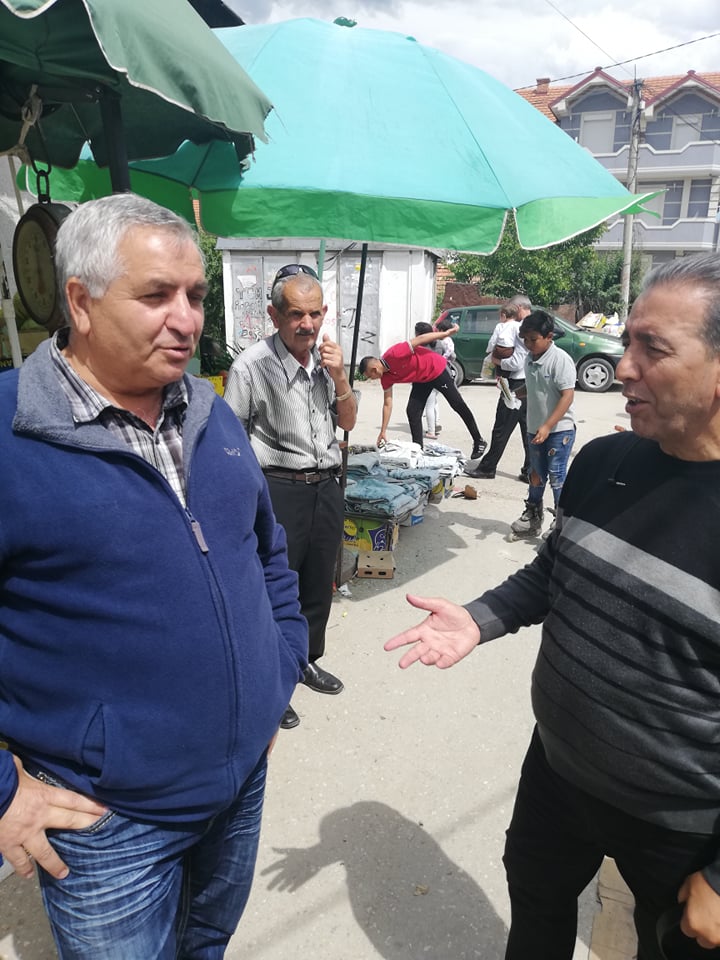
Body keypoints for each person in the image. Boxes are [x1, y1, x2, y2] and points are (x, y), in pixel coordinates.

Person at [383, 252, 720, 959]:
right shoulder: (605, 463)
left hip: (681, 827)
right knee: (536, 917)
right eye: (627, 343)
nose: (623, 367)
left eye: (652, 349)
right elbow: (552, 574)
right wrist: (479, 618)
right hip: (558, 774)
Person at [0, 194, 308, 958]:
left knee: (207, 946)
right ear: (81, 302)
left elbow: (266, 550)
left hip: (239, 785)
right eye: (157, 296)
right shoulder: (9, 434)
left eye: (195, 296)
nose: (187, 320)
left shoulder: (208, 409)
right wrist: (4, 792)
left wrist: (277, 674)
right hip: (108, 821)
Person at [224, 265, 357, 731]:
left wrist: (340, 377)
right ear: (274, 315)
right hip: (278, 488)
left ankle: (305, 661)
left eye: (315, 313)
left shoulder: (327, 361)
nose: (307, 324)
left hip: (326, 485)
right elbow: (230, 439)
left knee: (318, 585)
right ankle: (271, 679)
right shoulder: (251, 367)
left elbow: (348, 423)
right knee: (273, 590)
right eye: (297, 314)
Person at [358, 326, 486, 460]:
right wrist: (383, 431)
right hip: (421, 379)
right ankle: (418, 450)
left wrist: (445, 334)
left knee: (457, 404)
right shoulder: (386, 378)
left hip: (436, 370)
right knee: (412, 411)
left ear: (374, 369)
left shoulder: (394, 353)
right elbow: (387, 404)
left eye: (370, 376)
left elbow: (421, 339)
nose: (372, 379)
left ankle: (479, 440)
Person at [508, 308, 576, 540]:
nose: (528, 344)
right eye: (525, 340)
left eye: (533, 339)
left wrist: (548, 426)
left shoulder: (560, 360)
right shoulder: (530, 358)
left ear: (549, 337)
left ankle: (561, 524)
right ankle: (533, 516)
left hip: (558, 430)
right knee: (535, 474)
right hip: (535, 429)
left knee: (557, 476)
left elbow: (567, 396)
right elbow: (532, 386)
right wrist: (513, 393)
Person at [467, 294, 531, 481]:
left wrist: (497, 361)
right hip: (527, 383)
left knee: (502, 426)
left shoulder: (515, 328)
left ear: (517, 308)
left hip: (514, 384)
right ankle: (531, 470)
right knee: (528, 428)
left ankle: (488, 468)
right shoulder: (529, 326)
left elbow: (516, 362)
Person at [414, 320, 455, 439]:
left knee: (429, 405)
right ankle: (436, 423)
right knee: (434, 401)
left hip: (428, 378)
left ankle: (431, 431)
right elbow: (453, 356)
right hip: (441, 375)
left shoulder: (420, 347)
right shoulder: (440, 343)